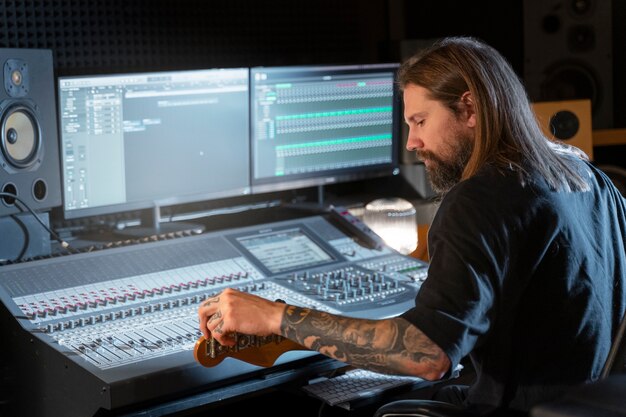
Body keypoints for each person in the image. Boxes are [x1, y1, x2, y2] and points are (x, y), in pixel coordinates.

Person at [198, 36, 626, 416]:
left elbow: (427, 355)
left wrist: (276, 317)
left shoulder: (479, 199)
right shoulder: (586, 174)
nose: (412, 143)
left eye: (420, 121)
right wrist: (295, 333)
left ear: (469, 108)